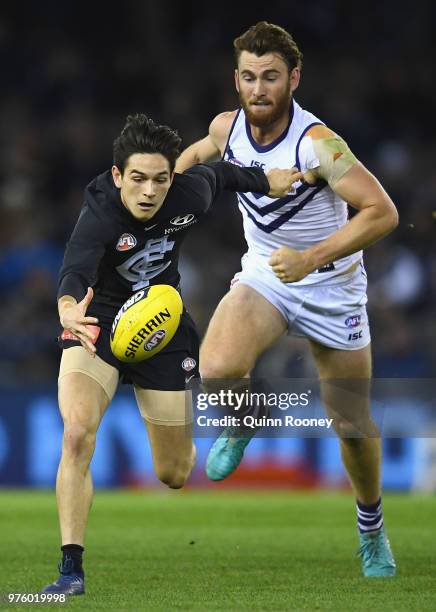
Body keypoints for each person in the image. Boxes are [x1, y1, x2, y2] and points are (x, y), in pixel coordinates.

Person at [42, 112, 302, 596]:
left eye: (160, 179)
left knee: (175, 473)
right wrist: (66, 308)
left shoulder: (188, 192)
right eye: (137, 178)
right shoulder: (101, 209)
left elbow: (222, 173)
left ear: (171, 178)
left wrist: (268, 181)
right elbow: (75, 266)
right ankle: (70, 570)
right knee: (77, 433)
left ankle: (246, 415)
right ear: (118, 176)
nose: (148, 191)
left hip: (159, 330)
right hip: (95, 321)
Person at [175, 22, 399, 578]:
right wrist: (161, 183)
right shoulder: (227, 128)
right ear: (236, 80)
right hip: (269, 274)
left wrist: (312, 258)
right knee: (218, 367)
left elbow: (382, 212)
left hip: (333, 284)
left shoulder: (318, 144)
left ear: (293, 78)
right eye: (249, 77)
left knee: (350, 423)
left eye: (270, 77)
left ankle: (371, 529)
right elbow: (193, 160)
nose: (258, 89)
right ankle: (247, 418)